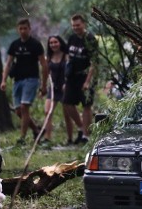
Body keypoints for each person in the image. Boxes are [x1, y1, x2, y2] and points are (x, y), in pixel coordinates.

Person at [0, 18, 49, 145]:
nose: (23, 31)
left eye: (25, 28)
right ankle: (37, 130)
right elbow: (8, 63)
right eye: (20, 28)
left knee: (24, 107)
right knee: (18, 111)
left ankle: (22, 138)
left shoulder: (36, 44)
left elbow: (44, 65)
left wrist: (44, 85)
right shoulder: (15, 44)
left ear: (29, 29)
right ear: (18, 30)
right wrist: (3, 80)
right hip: (18, 80)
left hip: (32, 79)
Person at [63, 13, 99, 144]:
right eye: (73, 25)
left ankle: (86, 136)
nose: (75, 27)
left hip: (86, 76)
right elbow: (68, 56)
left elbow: (94, 63)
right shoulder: (71, 38)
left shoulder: (90, 39)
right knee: (67, 102)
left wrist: (88, 81)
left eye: (78, 25)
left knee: (86, 105)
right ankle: (81, 127)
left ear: (83, 24)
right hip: (72, 76)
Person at [42, 35, 83, 146]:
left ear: (60, 43)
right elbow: (46, 72)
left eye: (55, 42)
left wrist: (67, 82)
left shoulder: (66, 56)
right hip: (53, 88)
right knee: (47, 111)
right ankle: (47, 138)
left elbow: (70, 70)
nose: (53, 45)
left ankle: (70, 138)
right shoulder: (49, 57)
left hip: (64, 88)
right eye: (51, 43)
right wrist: (44, 86)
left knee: (67, 115)